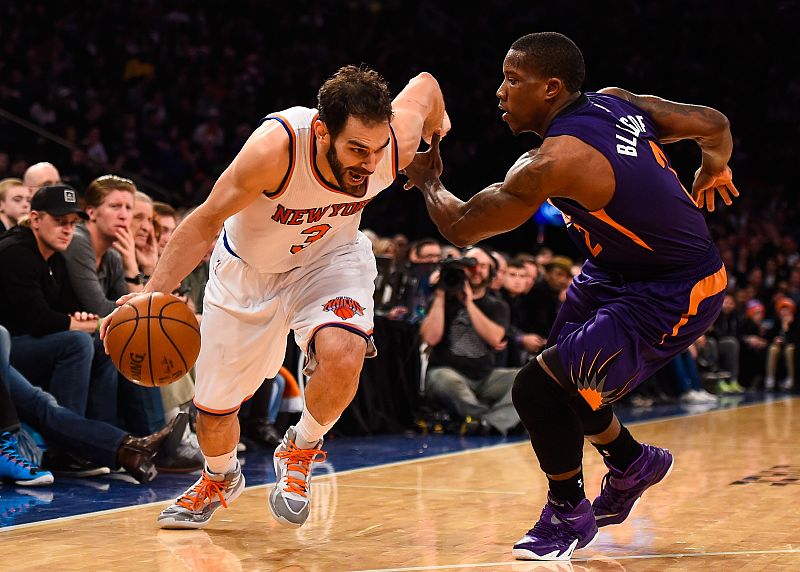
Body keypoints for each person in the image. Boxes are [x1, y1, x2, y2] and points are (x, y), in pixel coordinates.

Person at [403, 32, 736, 560]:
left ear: (551, 88)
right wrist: (714, 165)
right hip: (611, 271)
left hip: (676, 287)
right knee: (563, 382)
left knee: (537, 389)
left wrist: (427, 181)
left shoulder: (551, 162)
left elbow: (462, 227)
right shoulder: (619, 102)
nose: (499, 92)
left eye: (512, 79)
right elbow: (714, 124)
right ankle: (632, 463)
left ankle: (567, 515)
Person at [103, 64, 448, 529]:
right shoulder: (275, 149)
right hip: (247, 273)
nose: (369, 164)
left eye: (377, 149)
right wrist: (149, 295)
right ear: (322, 132)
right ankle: (219, 478)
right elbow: (204, 221)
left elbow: (425, 86)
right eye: (356, 149)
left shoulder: (392, 144)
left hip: (329, 260)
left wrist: (435, 132)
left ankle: (301, 449)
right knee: (213, 415)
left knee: (345, 352)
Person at [420, 246, 520, 435]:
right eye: (471, 265)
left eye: (483, 266)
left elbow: (494, 338)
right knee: (443, 379)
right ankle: (491, 420)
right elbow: (430, 338)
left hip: (485, 377)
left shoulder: (498, 306)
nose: (477, 270)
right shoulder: (442, 300)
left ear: (491, 272)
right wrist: (440, 295)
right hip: (448, 373)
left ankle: (485, 421)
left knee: (524, 377)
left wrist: (468, 303)